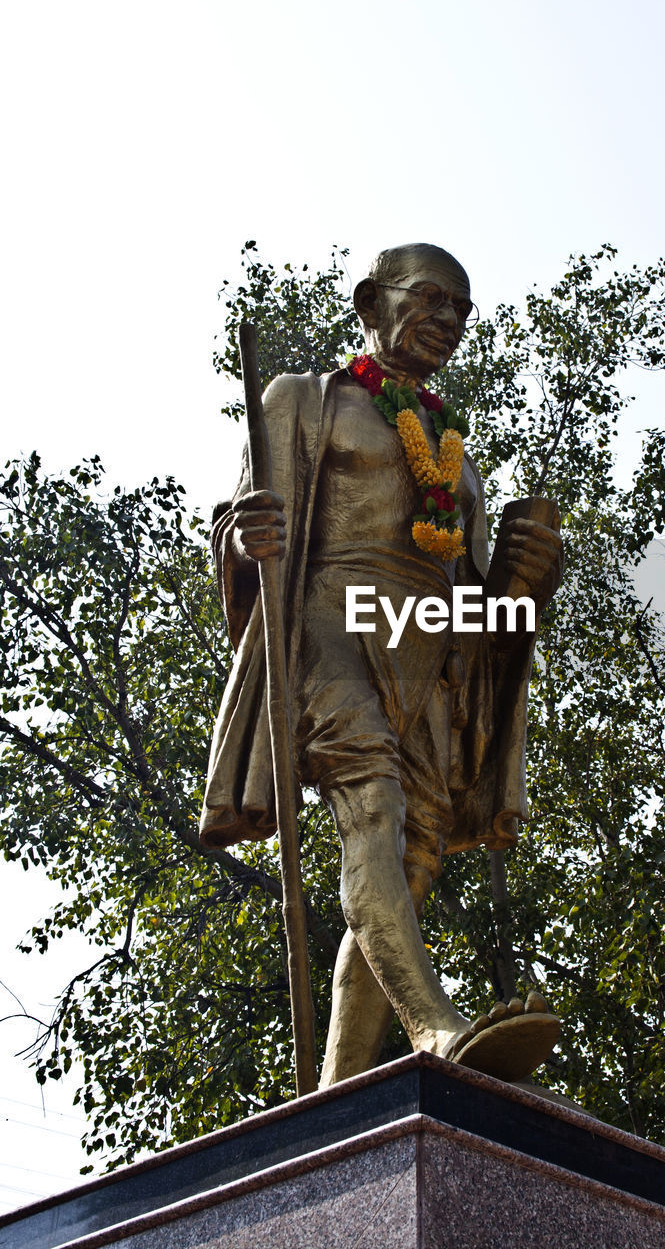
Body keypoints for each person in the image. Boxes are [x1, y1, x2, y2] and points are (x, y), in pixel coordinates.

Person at [200, 243, 563, 1086]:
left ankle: (333, 1095)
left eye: (461, 311)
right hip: (327, 619)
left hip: (426, 644)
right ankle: (434, 1026)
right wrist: (243, 543)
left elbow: (475, 601)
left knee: (410, 856)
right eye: (430, 298)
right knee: (372, 805)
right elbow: (247, 530)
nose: (446, 320)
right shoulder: (303, 399)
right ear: (371, 300)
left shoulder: (453, 451)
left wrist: (524, 580)